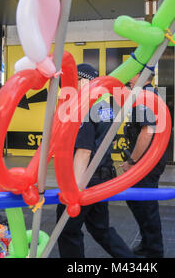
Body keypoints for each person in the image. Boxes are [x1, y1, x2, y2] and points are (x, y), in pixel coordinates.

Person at [56, 63, 135, 258]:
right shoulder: (102, 106)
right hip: (102, 175)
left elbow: (83, 152)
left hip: (86, 179)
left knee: (67, 231)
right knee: (101, 229)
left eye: (71, 82)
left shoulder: (84, 108)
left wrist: (73, 190)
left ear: (83, 82)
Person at [121, 71, 166, 258]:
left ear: (141, 75)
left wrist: (133, 161)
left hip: (145, 163)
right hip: (148, 161)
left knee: (146, 206)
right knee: (136, 201)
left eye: (132, 74)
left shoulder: (145, 97)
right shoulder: (148, 94)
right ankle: (148, 244)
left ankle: (154, 251)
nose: (128, 77)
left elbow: (147, 132)